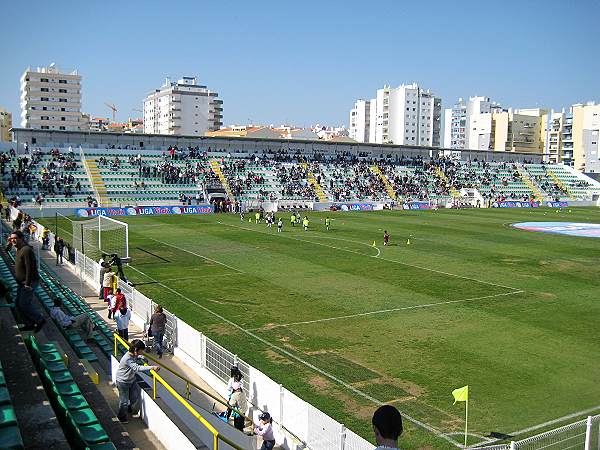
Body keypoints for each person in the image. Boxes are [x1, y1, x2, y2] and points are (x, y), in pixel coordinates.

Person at [6, 230, 45, 332]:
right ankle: (29, 323)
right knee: (18, 304)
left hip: (28, 282)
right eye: (12, 238)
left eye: (15, 238)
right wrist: (9, 243)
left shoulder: (26, 250)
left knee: (24, 303)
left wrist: (27, 283)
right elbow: (6, 250)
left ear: (21, 238)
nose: (13, 240)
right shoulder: (19, 248)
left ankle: (39, 319)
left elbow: (30, 268)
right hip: (21, 283)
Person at [115, 339, 159, 423]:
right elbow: (137, 368)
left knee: (134, 397)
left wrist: (140, 357)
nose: (142, 352)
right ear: (136, 350)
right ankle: (121, 417)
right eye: (141, 351)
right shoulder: (128, 358)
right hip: (123, 382)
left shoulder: (133, 355)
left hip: (131, 380)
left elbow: (136, 357)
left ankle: (128, 408)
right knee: (124, 401)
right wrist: (151, 367)